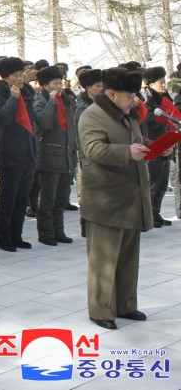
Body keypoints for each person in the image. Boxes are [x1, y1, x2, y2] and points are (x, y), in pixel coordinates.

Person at [79, 67, 152, 330]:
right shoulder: (93, 115)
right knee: (104, 259)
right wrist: (127, 151)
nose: (135, 99)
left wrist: (152, 150)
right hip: (106, 198)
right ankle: (100, 309)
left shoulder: (127, 116)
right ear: (111, 93)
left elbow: (134, 146)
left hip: (130, 197)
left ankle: (125, 305)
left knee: (128, 257)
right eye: (129, 95)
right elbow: (93, 149)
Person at [0, 57, 37, 252]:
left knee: (21, 199)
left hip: (27, 151)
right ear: (6, 78)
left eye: (21, 75)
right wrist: (13, 98)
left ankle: (17, 235)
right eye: (15, 76)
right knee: (8, 199)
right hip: (9, 152)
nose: (20, 79)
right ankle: (4, 237)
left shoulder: (28, 93)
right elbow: (1, 119)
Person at [34, 65, 77, 246]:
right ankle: (46, 233)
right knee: (48, 199)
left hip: (66, 156)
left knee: (61, 199)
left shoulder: (66, 101)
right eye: (55, 83)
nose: (59, 86)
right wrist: (52, 102)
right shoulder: (40, 101)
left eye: (61, 83)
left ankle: (58, 231)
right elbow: (44, 122)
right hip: (49, 156)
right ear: (45, 85)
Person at [140, 66, 174, 228]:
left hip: (167, 142)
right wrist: (163, 114)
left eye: (164, 81)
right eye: (161, 82)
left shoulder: (166, 98)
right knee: (153, 183)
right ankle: (149, 215)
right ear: (151, 84)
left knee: (162, 183)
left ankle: (157, 212)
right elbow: (149, 119)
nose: (164, 85)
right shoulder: (148, 100)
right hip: (154, 143)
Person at [75, 68, 103, 238]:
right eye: (98, 86)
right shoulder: (82, 108)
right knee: (88, 194)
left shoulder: (102, 105)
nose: (101, 88)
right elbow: (81, 136)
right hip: (88, 156)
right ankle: (86, 226)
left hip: (100, 154)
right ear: (87, 88)